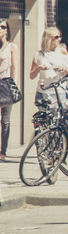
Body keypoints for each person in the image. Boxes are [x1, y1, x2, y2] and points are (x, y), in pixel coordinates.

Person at [30, 27, 68, 104]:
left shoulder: (62, 51)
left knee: (58, 115)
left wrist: (62, 69)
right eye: (56, 37)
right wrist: (38, 68)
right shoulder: (38, 54)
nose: (59, 39)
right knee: (44, 115)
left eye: (60, 37)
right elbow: (31, 76)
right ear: (48, 38)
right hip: (43, 91)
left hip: (58, 91)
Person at [0, 19, 18, 162]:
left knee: (5, 121)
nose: (0, 29)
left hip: (6, 84)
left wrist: (14, 85)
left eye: (3, 27)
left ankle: (3, 151)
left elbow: (15, 68)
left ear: (7, 30)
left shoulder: (12, 46)